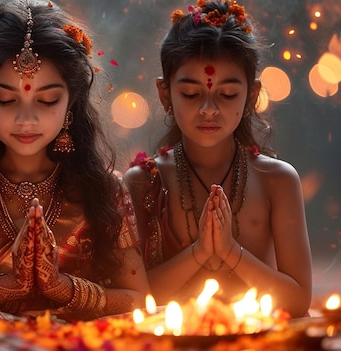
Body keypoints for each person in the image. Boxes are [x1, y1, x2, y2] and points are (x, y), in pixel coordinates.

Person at [0, 0, 150, 321]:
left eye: (47, 100)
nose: (26, 119)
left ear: (71, 102)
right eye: (6, 100)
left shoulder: (104, 190)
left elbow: (139, 299)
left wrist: (65, 289)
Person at [123, 0, 311, 317]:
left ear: (252, 96)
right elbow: (136, 298)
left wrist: (230, 251)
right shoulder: (142, 181)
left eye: (226, 95)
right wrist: (200, 252)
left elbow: (297, 300)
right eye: (191, 94)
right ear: (165, 94)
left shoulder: (277, 181)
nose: (208, 110)